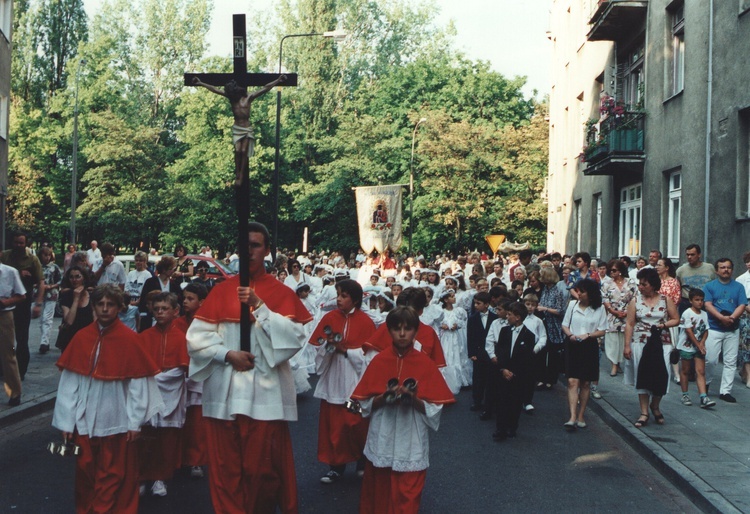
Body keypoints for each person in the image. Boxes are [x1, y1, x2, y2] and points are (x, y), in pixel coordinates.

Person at [186, 222, 312, 513]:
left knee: (262, 473)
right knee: (225, 472)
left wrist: (262, 308)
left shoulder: (280, 292)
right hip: (225, 393)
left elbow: (294, 339)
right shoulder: (220, 291)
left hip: (264, 396)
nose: (250, 252)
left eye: (255, 245)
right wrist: (227, 354)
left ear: (267, 250)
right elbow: (196, 339)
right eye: (245, 246)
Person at [52, 284, 164, 513]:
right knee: (86, 474)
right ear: (93, 306)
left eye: (110, 304)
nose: (105, 309)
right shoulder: (82, 337)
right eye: (100, 304)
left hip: (116, 420)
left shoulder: (130, 340)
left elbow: (138, 386)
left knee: (113, 474)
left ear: (119, 307)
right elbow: (69, 383)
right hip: (84, 420)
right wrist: (66, 421)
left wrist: (135, 422)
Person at [351, 306, 455, 514]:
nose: (402, 333)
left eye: (407, 329)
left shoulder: (425, 363)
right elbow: (362, 405)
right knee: (379, 494)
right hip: (383, 434)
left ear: (416, 332)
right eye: (397, 328)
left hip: (411, 438)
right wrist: (384, 397)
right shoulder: (379, 360)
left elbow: (435, 408)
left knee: (407, 497)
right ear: (388, 331)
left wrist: (412, 399)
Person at [309, 279, 375, 483]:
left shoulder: (366, 321)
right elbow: (317, 348)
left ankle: (361, 460)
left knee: (355, 421)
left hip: (354, 380)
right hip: (333, 381)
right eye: (338, 294)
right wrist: (328, 347)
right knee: (334, 425)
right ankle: (336, 466)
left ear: (355, 299)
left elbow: (370, 355)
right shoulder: (329, 318)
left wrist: (345, 350)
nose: (338, 299)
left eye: (344, 296)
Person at [192, 75, 287, 186]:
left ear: (237, 92)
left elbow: (265, 88)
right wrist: (201, 83)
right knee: (237, 150)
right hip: (237, 128)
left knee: (243, 151)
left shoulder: (249, 97)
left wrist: (278, 80)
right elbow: (215, 89)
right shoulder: (232, 98)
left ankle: (241, 175)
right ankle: (237, 172)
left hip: (246, 128)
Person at [138, 292, 189, 497]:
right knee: (145, 436)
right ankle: (141, 477)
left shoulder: (181, 337)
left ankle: (160, 478)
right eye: (157, 309)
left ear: (175, 311)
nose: (159, 312)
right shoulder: (144, 337)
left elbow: (181, 369)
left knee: (166, 439)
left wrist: (158, 378)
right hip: (148, 392)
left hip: (171, 393)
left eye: (164, 309)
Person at [623, 268, 680, 428]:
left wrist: (663, 325)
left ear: (653, 285)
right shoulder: (635, 301)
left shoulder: (665, 300)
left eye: (644, 284)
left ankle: (655, 405)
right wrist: (627, 345)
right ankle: (644, 412)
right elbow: (630, 323)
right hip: (640, 342)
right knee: (642, 375)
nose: (640, 287)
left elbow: (676, 319)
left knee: (662, 375)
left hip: (662, 343)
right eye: (640, 284)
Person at [561, 278, 608, 431]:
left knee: (585, 383)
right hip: (573, 345)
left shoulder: (599, 308)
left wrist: (587, 335)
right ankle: (573, 416)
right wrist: (570, 335)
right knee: (572, 381)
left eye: (582, 291)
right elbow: (565, 324)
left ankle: (581, 415)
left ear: (591, 294)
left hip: (589, 346)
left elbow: (602, 329)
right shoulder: (573, 305)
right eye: (578, 291)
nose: (578, 294)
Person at [175, 282, 209, 479]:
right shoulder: (177, 323)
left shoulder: (207, 324)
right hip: (179, 376)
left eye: (190, 299)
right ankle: (178, 457)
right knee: (179, 418)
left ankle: (196, 460)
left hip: (199, 376)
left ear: (201, 302)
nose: (185, 302)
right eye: (184, 298)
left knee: (196, 420)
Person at [703, 257, 747, 403]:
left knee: (730, 361)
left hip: (732, 328)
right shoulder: (709, 286)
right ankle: (706, 383)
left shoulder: (738, 287)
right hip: (714, 327)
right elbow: (708, 304)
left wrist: (732, 318)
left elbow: (742, 305)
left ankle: (725, 391)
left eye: (728, 267)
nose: (725, 270)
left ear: (732, 270)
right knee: (710, 359)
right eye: (722, 267)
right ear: (717, 270)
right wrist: (720, 318)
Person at [0, 232, 43, 379]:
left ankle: (20, 370)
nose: (18, 245)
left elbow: (41, 282)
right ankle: (4, 369)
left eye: (21, 243)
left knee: (22, 338)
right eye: (16, 242)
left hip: (23, 303)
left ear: (26, 244)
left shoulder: (32, 259)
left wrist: (38, 303)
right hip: (4, 303)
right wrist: (19, 272)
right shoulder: (4, 256)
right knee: (5, 338)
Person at [491, 302, 536, 441]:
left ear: (517, 317)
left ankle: (512, 427)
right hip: (504, 372)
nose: (507, 317)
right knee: (501, 401)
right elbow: (500, 351)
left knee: (515, 402)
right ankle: (500, 429)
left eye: (509, 315)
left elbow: (526, 358)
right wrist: (503, 369)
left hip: (518, 375)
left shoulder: (529, 335)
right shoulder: (504, 331)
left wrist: (514, 372)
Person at [677, 288, 716, 408]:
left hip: (699, 347)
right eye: (696, 300)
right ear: (690, 301)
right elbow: (688, 331)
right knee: (686, 371)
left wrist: (702, 343)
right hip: (686, 346)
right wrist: (698, 345)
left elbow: (705, 330)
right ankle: (685, 394)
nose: (700, 302)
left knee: (701, 371)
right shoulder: (687, 313)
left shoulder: (704, 314)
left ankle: (703, 396)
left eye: (701, 300)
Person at [602, 259, 637, 377]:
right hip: (612, 314)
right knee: (612, 340)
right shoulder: (606, 283)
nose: (611, 273)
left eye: (614, 270)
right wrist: (613, 311)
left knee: (624, 339)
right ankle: (614, 365)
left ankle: (620, 363)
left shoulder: (630, 282)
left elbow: (635, 297)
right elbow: (604, 298)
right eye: (610, 270)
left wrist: (627, 311)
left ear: (621, 271)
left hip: (628, 314)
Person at [467, 292, 499, 416]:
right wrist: (472, 353)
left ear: (486, 304)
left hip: (490, 352)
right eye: (475, 303)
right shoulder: (473, 318)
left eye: (478, 303)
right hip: (478, 352)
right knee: (478, 378)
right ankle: (477, 400)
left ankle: (489, 401)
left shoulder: (495, 318)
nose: (475, 305)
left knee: (490, 378)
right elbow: (470, 337)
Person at [0, 261, 26, 406]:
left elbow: (22, 295)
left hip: (4, 315)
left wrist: (6, 302)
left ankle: (14, 392)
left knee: (8, 354)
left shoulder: (10, 272)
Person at [536, 267, 566, 390]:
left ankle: (551, 379)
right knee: (542, 352)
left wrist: (545, 309)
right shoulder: (545, 290)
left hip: (554, 325)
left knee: (553, 354)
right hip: (544, 323)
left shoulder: (557, 291)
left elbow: (560, 311)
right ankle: (542, 378)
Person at [437, 288, 469, 394]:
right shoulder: (441, 312)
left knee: (457, 355)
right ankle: (447, 380)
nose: (454, 298)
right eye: (451, 296)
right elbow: (438, 323)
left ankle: (459, 379)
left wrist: (457, 325)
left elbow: (463, 322)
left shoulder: (458, 311)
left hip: (455, 336)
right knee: (447, 355)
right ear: (446, 300)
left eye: (454, 296)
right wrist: (442, 326)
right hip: (446, 337)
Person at [56, 266, 95, 353]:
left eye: (78, 276)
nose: (74, 280)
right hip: (70, 338)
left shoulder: (92, 296)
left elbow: (95, 320)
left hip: (88, 338)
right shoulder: (66, 296)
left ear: (84, 278)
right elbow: (69, 321)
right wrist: (76, 299)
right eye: (71, 277)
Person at [138, 256, 182, 331]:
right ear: (164, 270)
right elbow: (143, 301)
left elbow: (179, 301)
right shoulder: (150, 282)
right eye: (172, 269)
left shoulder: (174, 284)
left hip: (170, 320)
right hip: (152, 319)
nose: (173, 271)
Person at [37, 246, 62, 354]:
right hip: (39, 295)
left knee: (47, 318)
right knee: (41, 319)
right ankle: (44, 338)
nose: (47, 257)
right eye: (44, 255)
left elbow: (61, 280)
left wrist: (52, 286)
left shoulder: (54, 267)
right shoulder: (37, 267)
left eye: (48, 255)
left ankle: (44, 342)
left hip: (51, 295)